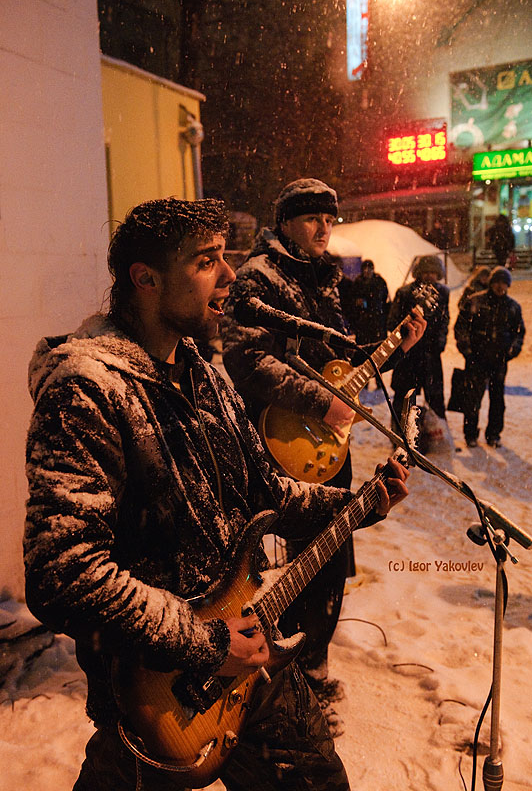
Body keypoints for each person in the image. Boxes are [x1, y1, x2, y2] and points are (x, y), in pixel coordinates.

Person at [23, 197, 413, 791]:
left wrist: (360, 502)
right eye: (208, 260)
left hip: (252, 663)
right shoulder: (86, 393)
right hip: (158, 699)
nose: (231, 275)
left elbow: (263, 490)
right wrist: (205, 642)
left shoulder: (203, 375)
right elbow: (62, 569)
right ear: (146, 279)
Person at [220, 178, 426, 735]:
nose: (324, 228)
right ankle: (277, 681)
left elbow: (340, 370)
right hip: (279, 445)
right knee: (287, 566)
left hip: (324, 447)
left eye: (329, 219)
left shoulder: (324, 279)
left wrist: (394, 347)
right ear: (284, 221)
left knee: (331, 556)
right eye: (311, 218)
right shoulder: (260, 278)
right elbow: (246, 359)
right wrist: (320, 402)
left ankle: (311, 665)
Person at [454, 266, 525, 448]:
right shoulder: (475, 301)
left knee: (497, 400)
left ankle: (494, 434)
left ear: (508, 285)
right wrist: (467, 350)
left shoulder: (513, 307)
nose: (500, 286)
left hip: (499, 361)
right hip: (476, 359)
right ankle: (470, 435)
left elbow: (519, 332)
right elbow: (461, 327)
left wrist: (512, 350)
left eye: (504, 283)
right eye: (497, 282)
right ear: (491, 282)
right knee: (472, 399)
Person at [387, 254, 449, 429]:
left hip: (431, 354)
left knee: (436, 399)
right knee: (404, 399)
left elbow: (444, 320)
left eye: (433, 272)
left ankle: (439, 437)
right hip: (408, 355)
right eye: (426, 271)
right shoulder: (405, 293)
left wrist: (440, 342)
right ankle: (399, 437)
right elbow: (392, 322)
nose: (430, 275)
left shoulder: (443, 293)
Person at [339, 259, 390, 344]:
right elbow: (353, 303)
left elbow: (385, 302)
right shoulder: (358, 283)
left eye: (370, 269)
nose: (367, 272)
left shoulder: (380, 282)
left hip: (377, 322)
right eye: (365, 269)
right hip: (363, 323)